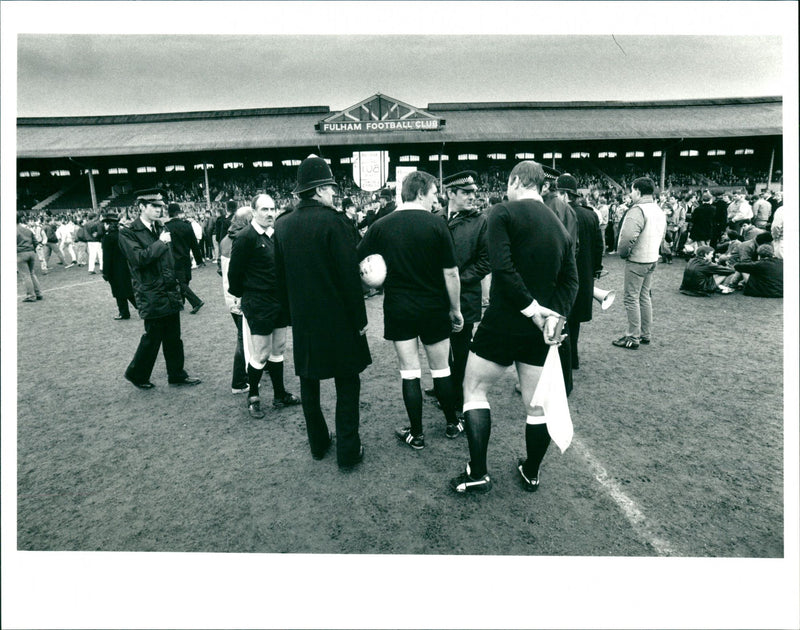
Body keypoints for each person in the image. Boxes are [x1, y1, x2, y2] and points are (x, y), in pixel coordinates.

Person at [450, 160, 578, 494]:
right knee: (536, 406)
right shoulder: (560, 226)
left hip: (506, 319)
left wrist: (532, 309)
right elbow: (572, 282)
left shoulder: (502, 213)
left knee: (474, 390)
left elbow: (502, 269)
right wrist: (554, 316)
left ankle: (477, 471)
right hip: (541, 329)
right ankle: (531, 472)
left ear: (517, 180)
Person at [274, 155, 371, 468]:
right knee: (347, 383)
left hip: (305, 322)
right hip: (340, 319)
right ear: (318, 190)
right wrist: (360, 320)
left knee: (309, 382)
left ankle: (317, 444)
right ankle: (347, 450)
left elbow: (280, 278)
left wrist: (291, 317)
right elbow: (348, 277)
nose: (334, 194)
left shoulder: (283, 225)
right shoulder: (336, 221)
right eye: (331, 188)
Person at [357, 170, 465, 448]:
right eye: (432, 193)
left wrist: (371, 282)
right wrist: (455, 309)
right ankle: (453, 423)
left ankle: (416, 434)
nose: (435, 199)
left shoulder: (381, 225)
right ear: (419, 192)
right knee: (441, 369)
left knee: (410, 372)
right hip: (433, 307)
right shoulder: (437, 224)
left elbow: (357, 261)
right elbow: (451, 273)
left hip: (399, 308)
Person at [118, 188, 201, 389]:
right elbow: (138, 259)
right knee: (152, 338)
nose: (159, 210)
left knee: (174, 336)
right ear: (141, 207)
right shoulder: (128, 232)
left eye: (161, 206)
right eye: (154, 206)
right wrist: (160, 243)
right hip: (150, 291)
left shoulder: (159, 228)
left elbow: (168, 260)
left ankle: (177, 374)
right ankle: (136, 374)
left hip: (168, 289)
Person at [227, 193, 301, 419]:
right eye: (264, 210)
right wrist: (241, 296)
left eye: (272, 209)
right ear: (254, 212)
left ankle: (279, 395)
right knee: (260, 353)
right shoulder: (245, 237)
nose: (270, 213)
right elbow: (234, 274)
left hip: (279, 301)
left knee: (278, 349)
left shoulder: (276, 234)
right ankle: (254, 397)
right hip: (258, 303)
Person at [439, 170, 490, 416]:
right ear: (450, 193)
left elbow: (485, 262)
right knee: (438, 345)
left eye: (474, 193)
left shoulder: (481, 221)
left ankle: (457, 397)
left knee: (461, 350)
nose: (473, 197)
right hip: (436, 298)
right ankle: (443, 386)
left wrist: (456, 281)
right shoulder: (436, 218)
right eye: (466, 193)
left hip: (466, 297)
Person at [554, 174, 603, 370]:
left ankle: (562, 358)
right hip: (583, 275)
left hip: (563, 276)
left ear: (564, 194)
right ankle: (572, 357)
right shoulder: (590, 214)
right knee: (574, 320)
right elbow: (599, 246)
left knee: (559, 316)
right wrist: (596, 269)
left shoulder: (556, 214)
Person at [613, 177, 667, 350]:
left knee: (631, 298)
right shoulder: (658, 209)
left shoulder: (637, 210)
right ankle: (645, 334)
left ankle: (632, 337)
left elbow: (627, 237)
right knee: (644, 296)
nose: (630, 193)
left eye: (631, 190)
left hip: (638, 259)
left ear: (637, 190)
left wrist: (623, 253)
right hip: (652, 258)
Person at [219, 207, 252, 395]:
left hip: (229, 295)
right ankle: (238, 381)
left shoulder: (226, 239)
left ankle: (255, 367)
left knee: (245, 335)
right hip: (240, 296)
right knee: (243, 338)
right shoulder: (243, 240)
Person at [164, 202, 205, 314]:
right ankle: (181, 301)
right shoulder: (186, 225)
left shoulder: (166, 227)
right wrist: (199, 260)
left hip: (174, 259)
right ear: (179, 213)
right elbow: (194, 245)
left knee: (181, 283)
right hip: (186, 258)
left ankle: (195, 302)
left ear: (169, 213)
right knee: (185, 281)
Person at [101, 211, 137, 319]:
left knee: (118, 292)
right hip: (126, 266)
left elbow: (107, 257)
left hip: (114, 269)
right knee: (128, 290)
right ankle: (140, 307)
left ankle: (124, 312)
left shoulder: (108, 237)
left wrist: (105, 272)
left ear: (108, 224)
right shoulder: (122, 234)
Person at [17, 213, 43, 302]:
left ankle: (31, 296)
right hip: (31, 252)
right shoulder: (27, 230)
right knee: (32, 273)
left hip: (20, 254)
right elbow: (36, 242)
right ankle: (38, 293)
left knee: (26, 275)